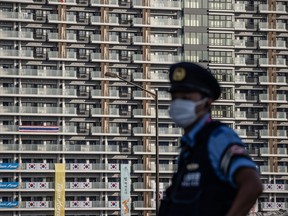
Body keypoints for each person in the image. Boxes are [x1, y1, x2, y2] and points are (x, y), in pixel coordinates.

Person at [158, 62, 263, 216]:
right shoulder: (189, 147)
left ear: (207, 102)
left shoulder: (218, 137)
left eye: (186, 97)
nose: (178, 103)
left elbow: (252, 185)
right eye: (175, 98)